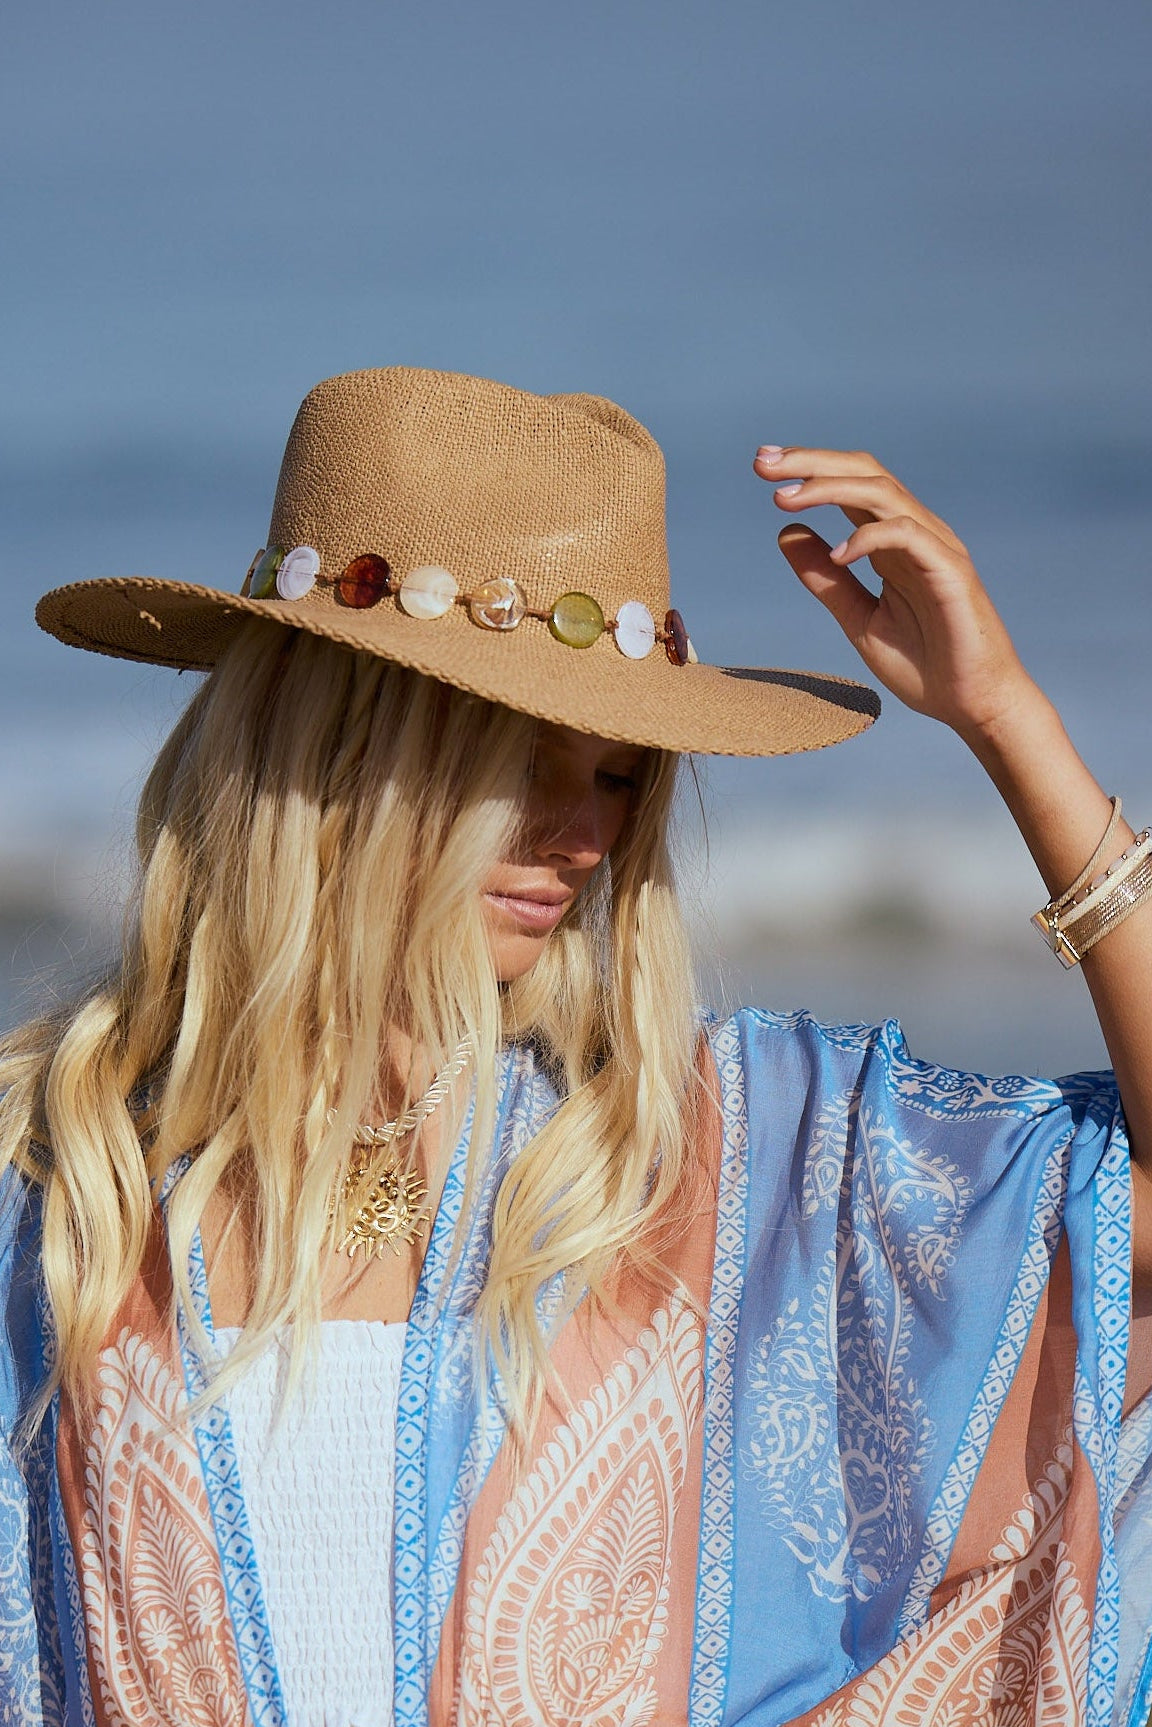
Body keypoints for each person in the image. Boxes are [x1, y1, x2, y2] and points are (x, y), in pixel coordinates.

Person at [1, 366, 1150, 1727]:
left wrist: (1012, 724)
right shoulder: (58, 1174)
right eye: (528, 760)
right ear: (347, 745)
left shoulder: (717, 1156)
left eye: (617, 776)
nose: (587, 836)